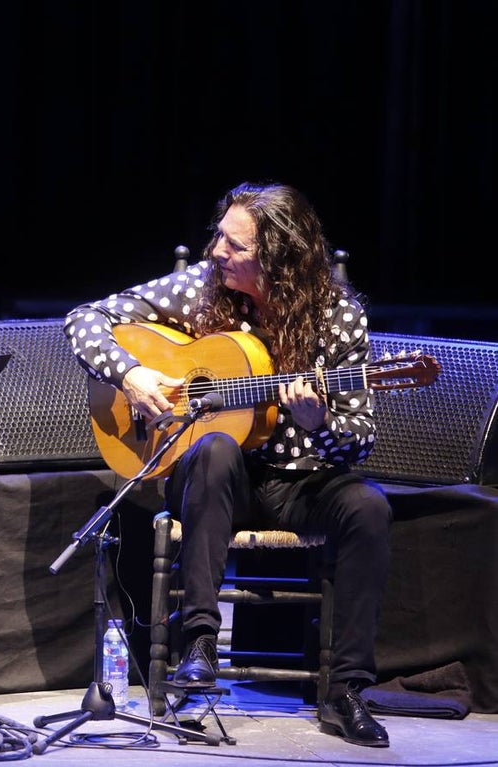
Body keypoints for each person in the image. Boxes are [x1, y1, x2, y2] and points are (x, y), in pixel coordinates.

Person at [63, 181, 392, 747]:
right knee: (215, 449)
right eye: (219, 235)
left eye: (235, 246)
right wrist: (131, 374)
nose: (217, 251)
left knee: (368, 506)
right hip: (211, 482)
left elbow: (360, 440)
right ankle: (198, 647)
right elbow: (85, 318)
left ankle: (347, 691)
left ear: (280, 260)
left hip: (300, 483)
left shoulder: (338, 319)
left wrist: (321, 425)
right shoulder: (202, 288)